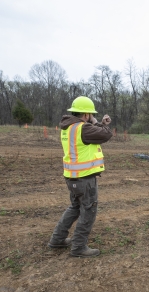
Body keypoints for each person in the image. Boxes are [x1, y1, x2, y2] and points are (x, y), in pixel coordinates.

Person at [48, 96, 113, 257]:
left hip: (72, 176)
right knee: (89, 210)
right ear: (85, 115)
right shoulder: (83, 128)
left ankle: (57, 240)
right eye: (90, 114)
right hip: (84, 178)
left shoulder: (68, 128)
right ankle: (78, 247)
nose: (91, 116)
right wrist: (99, 123)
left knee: (75, 207)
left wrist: (99, 124)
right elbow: (105, 135)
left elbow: (95, 133)